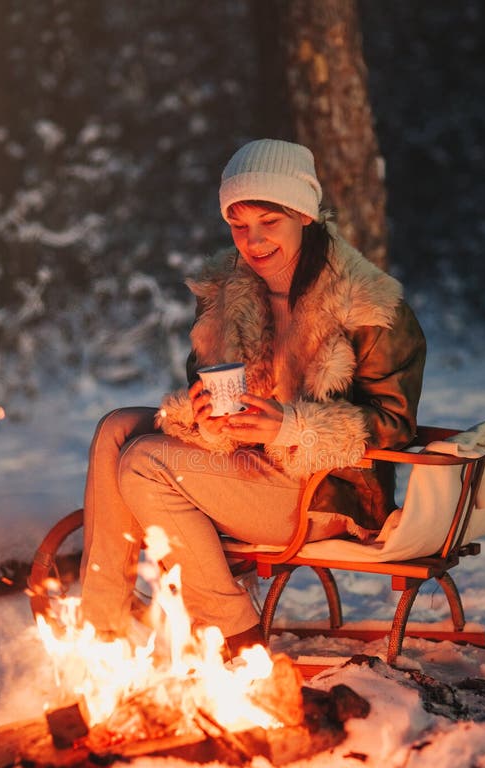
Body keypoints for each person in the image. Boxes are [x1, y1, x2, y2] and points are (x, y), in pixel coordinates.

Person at [78, 138, 426, 655]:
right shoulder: (227, 296)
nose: (252, 240)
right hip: (245, 470)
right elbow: (209, 388)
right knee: (117, 429)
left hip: (327, 492)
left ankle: (234, 630)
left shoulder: (369, 306)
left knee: (145, 462)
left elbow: (395, 424)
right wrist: (200, 418)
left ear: (304, 215)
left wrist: (291, 426)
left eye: (269, 222)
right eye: (238, 225)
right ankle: (100, 632)